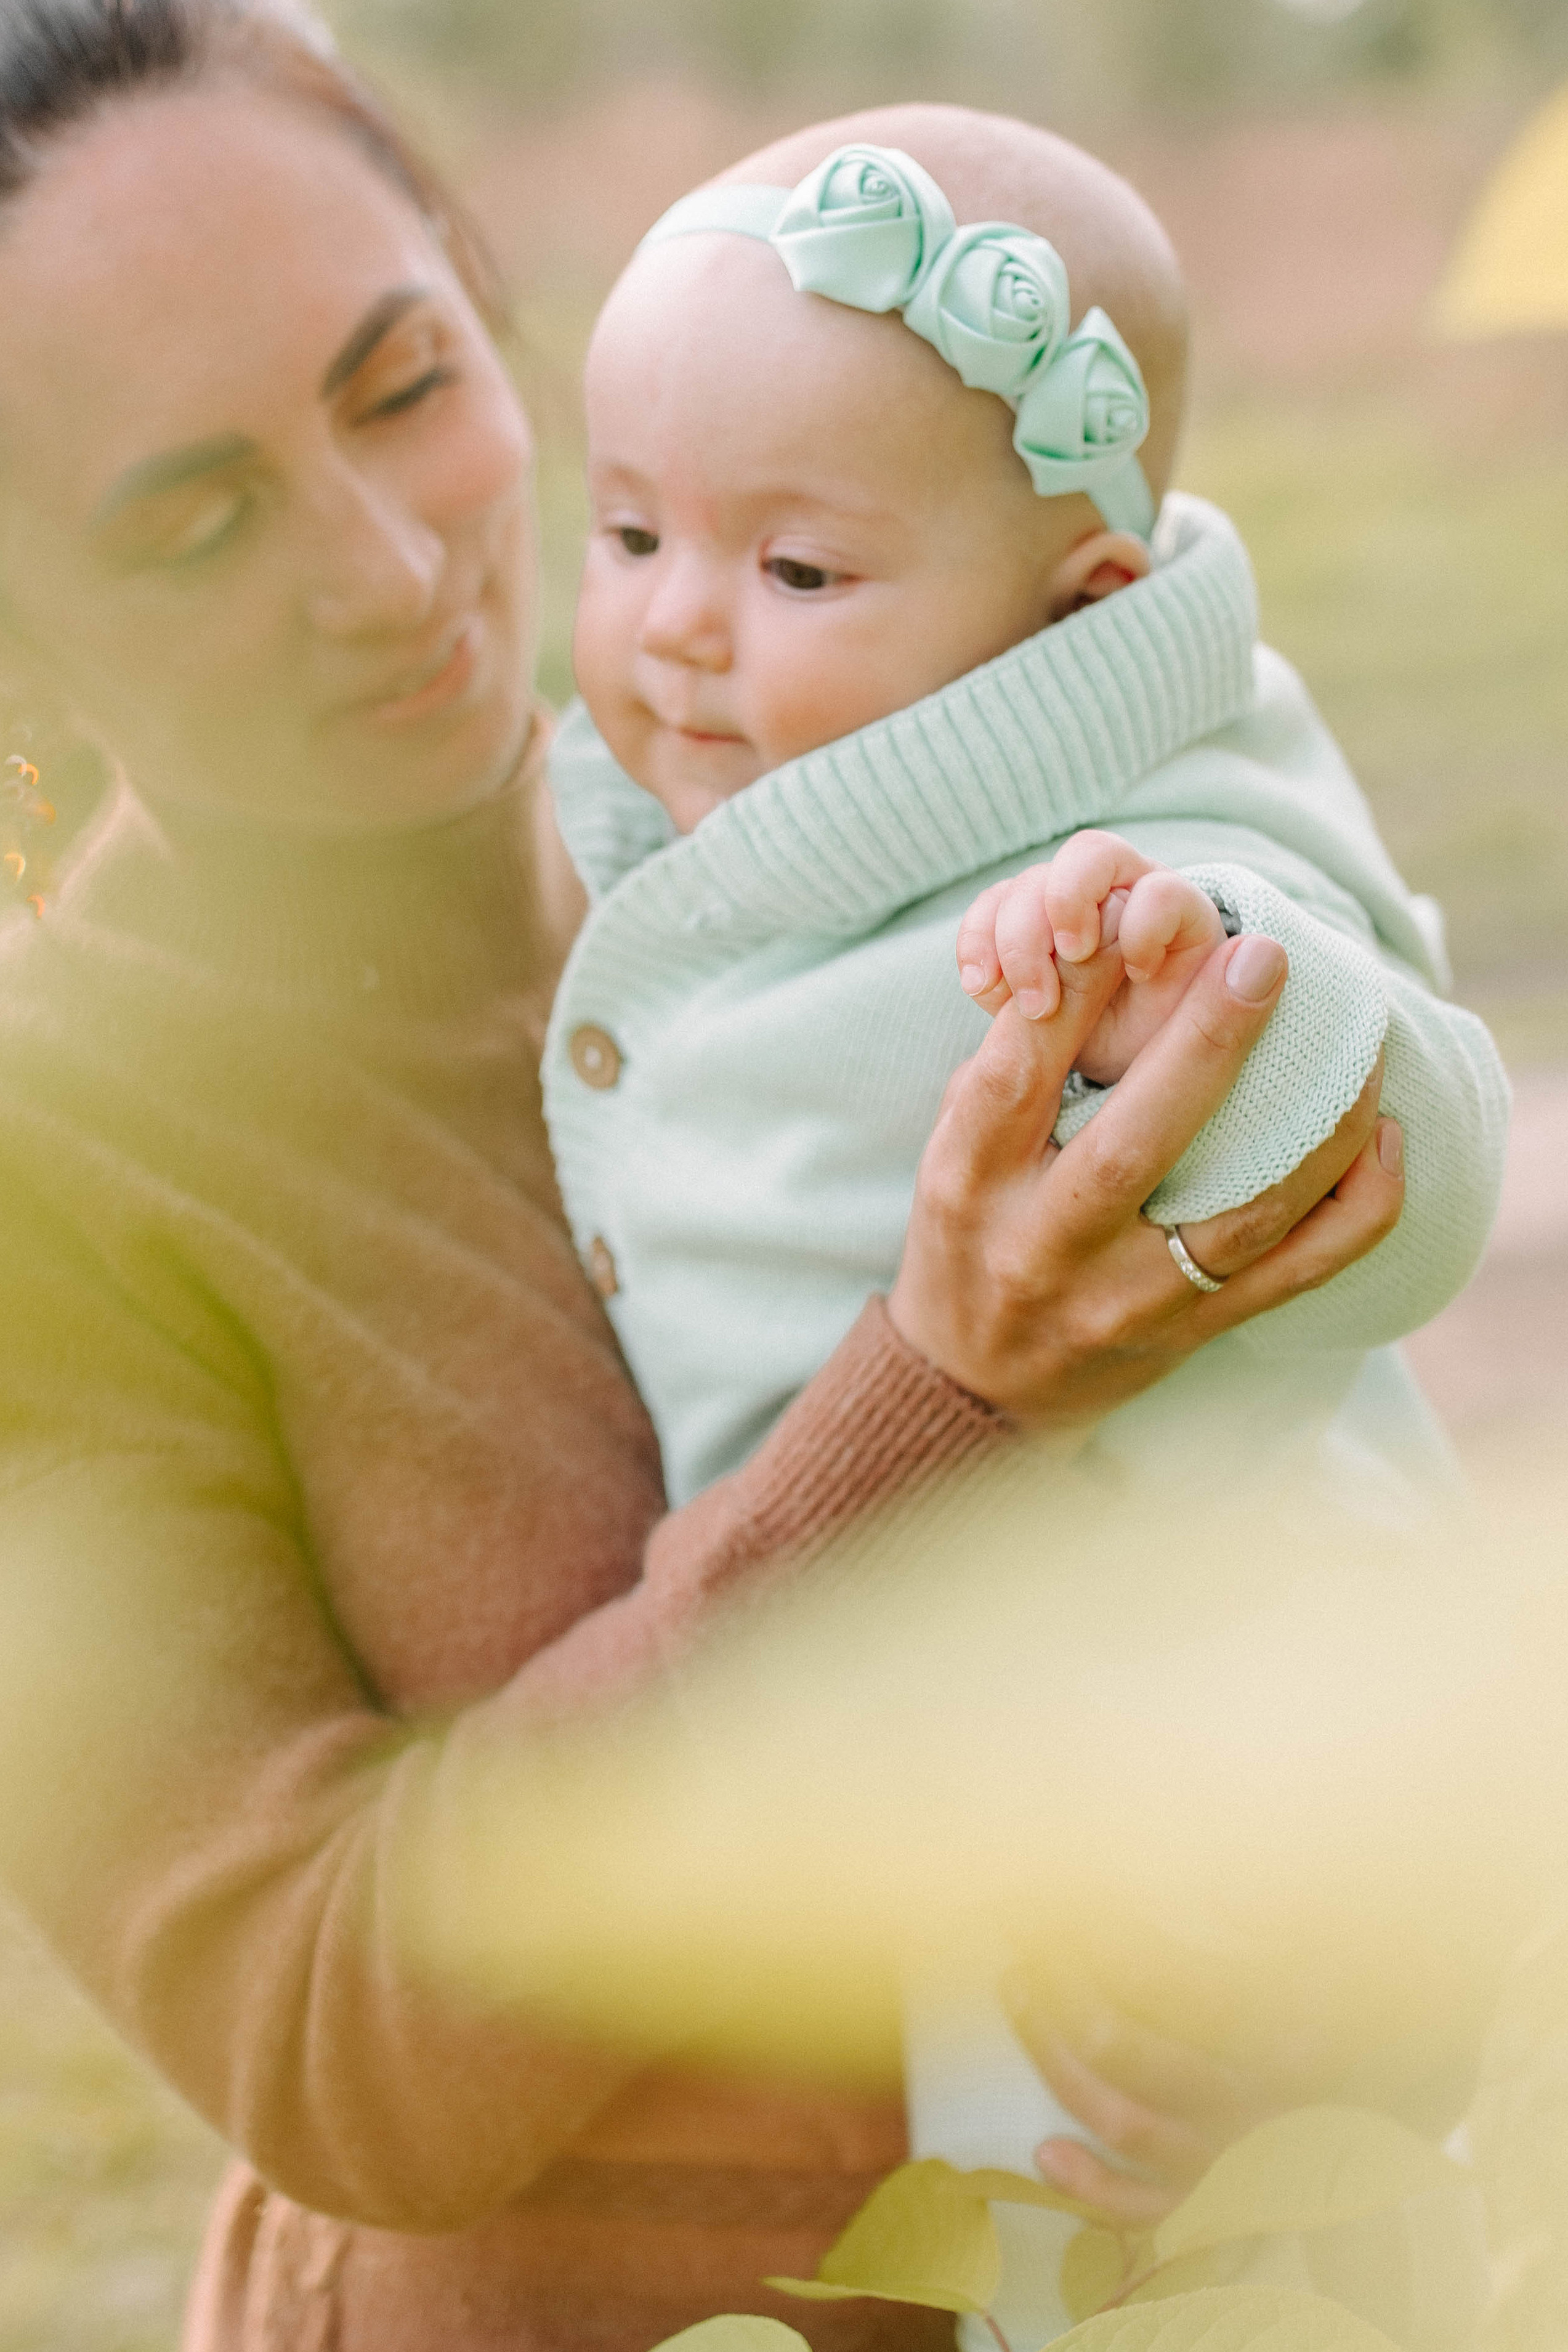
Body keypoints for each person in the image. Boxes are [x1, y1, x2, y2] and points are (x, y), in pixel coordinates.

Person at [0, 11, 1406, 2352]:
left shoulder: (846, 814)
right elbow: (328, 2040)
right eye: (198, 519)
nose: (389, 567)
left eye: (399, 387)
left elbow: (1277, 1508)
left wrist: (1297, 1977)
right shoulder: (61, 1157)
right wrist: (934, 1404)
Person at [544, 106, 1510, 2346]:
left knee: (1220, 2225)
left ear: (1070, 612)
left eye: (795, 571)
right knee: (1045, 2234)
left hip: (1216, 1766)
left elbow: (1425, 1163)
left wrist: (1228, 985)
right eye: (625, 531)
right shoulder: (725, 817)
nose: (674, 625)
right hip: (965, 1767)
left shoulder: (1145, 849)